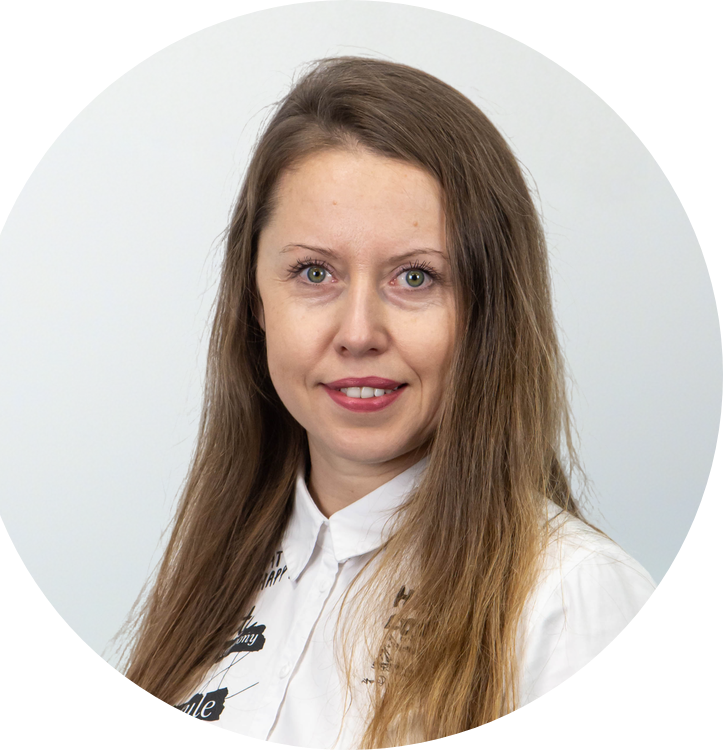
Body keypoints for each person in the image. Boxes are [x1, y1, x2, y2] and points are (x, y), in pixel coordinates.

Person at [120, 57, 655, 746]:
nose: (358, 333)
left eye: (415, 277)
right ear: (255, 299)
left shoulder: (572, 601)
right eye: (315, 271)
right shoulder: (213, 578)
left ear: (487, 311)